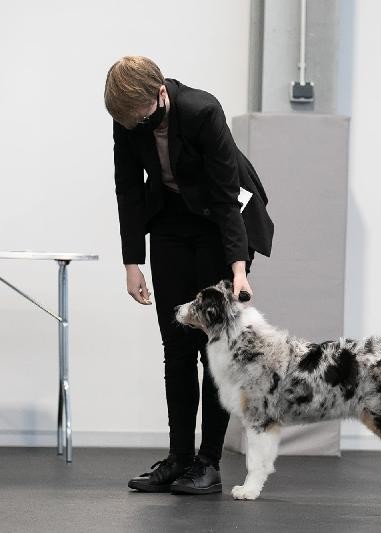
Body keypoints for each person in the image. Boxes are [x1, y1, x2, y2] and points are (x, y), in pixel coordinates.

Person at [103, 56, 274, 494]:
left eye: (142, 117)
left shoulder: (202, 111)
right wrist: (132, 263)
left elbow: (225, 195)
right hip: (171, 220)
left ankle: (208, 463)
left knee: (214, 349)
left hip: (220, 221)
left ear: (160, 93)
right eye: (129, 122)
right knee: (176, 344)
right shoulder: (127, 118)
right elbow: (128, 189)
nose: (136, 126)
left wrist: (238, 270)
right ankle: (178, 458)